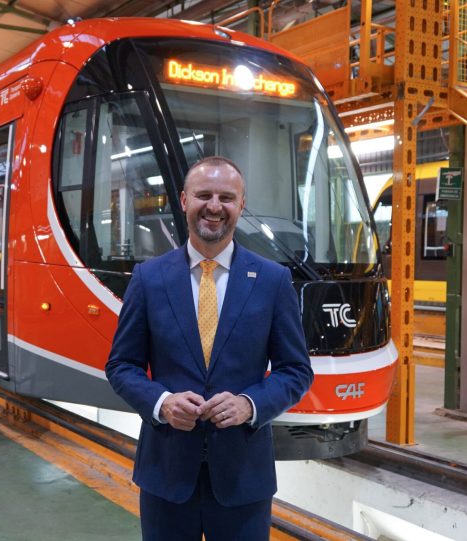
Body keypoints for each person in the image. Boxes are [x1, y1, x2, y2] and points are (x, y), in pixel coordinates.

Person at [105, 156, 313, 540]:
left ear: (241, 205)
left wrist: (250, 404)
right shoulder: (149, 279)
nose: (214, 206)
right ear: (184, 201)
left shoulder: (272, 280)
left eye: (226, 197)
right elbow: (121, 366)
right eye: (204, 195)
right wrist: (161, 402)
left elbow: (295, 371)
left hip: (243, 479)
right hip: (166, 475)